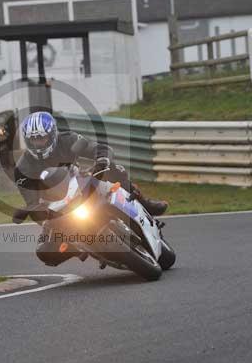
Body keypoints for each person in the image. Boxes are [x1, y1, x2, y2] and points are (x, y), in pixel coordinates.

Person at [14, 111, 168, 265]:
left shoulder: (68, 140)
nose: (38, 143)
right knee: (44, 253)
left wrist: (102, 160)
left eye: (42, 138)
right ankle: (78, 247)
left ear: (53, 134)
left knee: (114, 169)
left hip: (79, 184)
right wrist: (31, 210)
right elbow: (31, 201)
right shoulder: (23, 168)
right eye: (33, 139)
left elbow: (97, 148)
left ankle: (143, 202)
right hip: (54, 208)